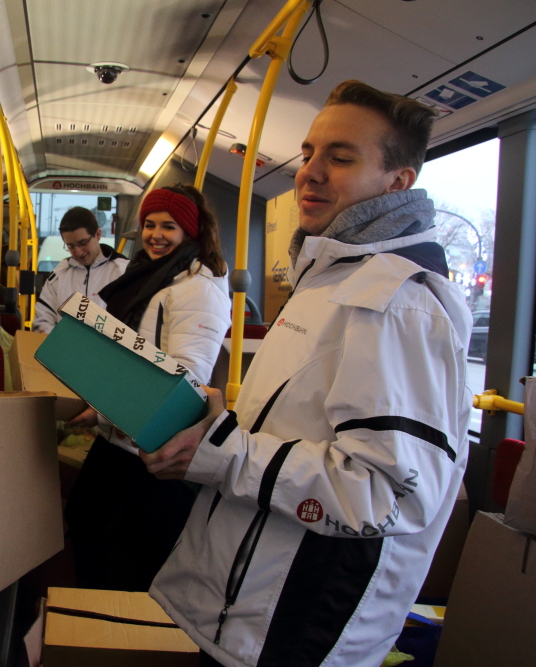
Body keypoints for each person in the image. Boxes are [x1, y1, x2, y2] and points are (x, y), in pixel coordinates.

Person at [143, 81, 472, 667]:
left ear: (398, 182)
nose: (309, 172)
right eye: (309, 152)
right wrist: (220, 426)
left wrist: (225, 452)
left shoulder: (397, 302)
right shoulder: (327, 275)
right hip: (245, 606)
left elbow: (385, 495)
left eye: (341, 157)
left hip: (295, 628)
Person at [64, 184, 231, 592]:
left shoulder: (198, 289)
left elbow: (186, 381)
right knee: (86, 524)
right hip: (120, 433)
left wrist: (106, 411)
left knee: (129, 551)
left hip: (154, 446)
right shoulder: (150, 277)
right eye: (150, 224)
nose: (157, 234)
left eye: (169, 226)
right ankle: (92, 623)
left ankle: (117, 635)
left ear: (190, 232)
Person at [32, 206, 128, 333]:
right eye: (71, 246)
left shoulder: (123, 272)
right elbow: (43, 321)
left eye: (83, 243)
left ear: (98, 234)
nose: (78, 252)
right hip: (64, 349)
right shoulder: (59, 275)